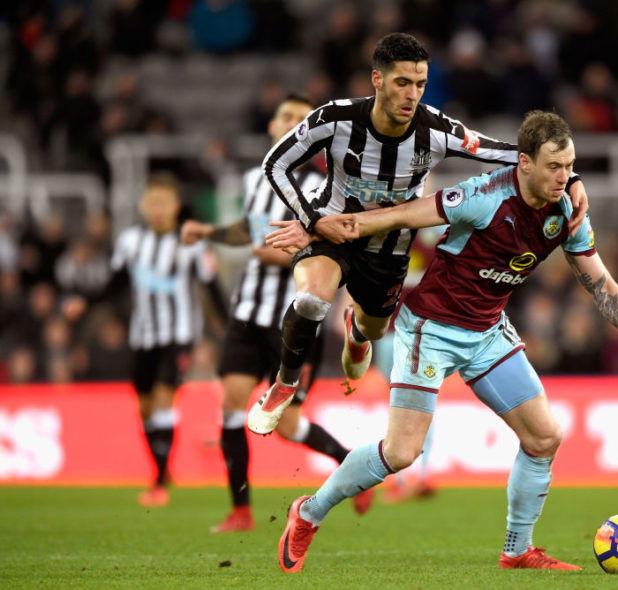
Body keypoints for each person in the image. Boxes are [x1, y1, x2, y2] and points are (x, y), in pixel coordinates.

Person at [265, 110, 618, 573]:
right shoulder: (482, 196)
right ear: (523, 163)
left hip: (486, 330)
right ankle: (308, 512)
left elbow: (602, 284)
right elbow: (400, 215)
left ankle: (517, 550)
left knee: (544, 438)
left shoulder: (567, 208)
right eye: (554, 167)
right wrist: (316, 225)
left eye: (570, 167)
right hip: (431, 328)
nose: (564, 178)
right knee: (402, 453)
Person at [246, 32, 589, 435]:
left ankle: (358, 331)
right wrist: (312, 219)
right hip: (333, 229)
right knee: (310, 301)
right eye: (402, 83)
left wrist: (572, 177)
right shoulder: (335, 120)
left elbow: (511, 153)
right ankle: (284, 384)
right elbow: (274, 164)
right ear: (378, 80)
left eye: (421, 84)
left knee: (374, 327)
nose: (412, 94)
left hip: (389, 250)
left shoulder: (437, 131)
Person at [180, 94, 373, 532]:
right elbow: (250, 229)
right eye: (285, 116)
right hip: (248, 311)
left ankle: (350, 466)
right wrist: (208, 231)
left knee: (287, 425)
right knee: (230, 404)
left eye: (301, 120)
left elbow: (321, 246)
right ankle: (241, 511)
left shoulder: (323, 188)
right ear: (271, 126)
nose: (290, 123)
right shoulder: (254, 180)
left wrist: (276, 251)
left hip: (294, 319)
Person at [107, 173, 226, 506]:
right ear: (143, 206)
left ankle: (159, 479)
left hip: (179, 335)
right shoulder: (130, 241)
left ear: (175, 207)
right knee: (144, 406)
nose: (157, 209)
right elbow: (114, 283)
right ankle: (161, 469)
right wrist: (83, 304)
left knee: (163, 396)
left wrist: (224, 323)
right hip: (142, 336)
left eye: (164, 202)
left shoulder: (192, 243)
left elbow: (211, 286)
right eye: (152, 203)